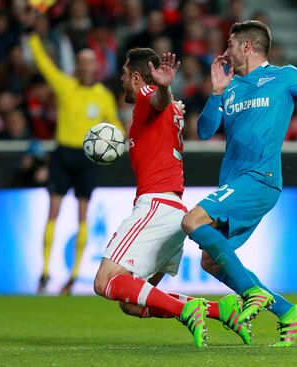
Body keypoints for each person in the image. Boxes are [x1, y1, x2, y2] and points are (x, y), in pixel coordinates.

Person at [181, 20, 297, 346]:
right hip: (234, 182)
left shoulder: (285, 76)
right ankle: (288, 311)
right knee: (210, 261)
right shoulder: (229, 87)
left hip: (261, 178)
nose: (225, 50)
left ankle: (253, 292)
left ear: (247, 46)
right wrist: (215, 92)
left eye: (230, 44)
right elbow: (204, 131)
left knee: (191, 221)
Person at [92, 48, 250, 348]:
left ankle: (188, 309)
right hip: (174, 210)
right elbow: (162, 104)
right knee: (132, 303)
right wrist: (165, 92)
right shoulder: (169, 108)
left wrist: (163, 87)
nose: (122, 80)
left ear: (137, 77)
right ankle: (220, 310)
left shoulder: (148, 93)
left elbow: (156, 98)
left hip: (156, 206)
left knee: (104, 282)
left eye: (125, 74)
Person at [29, 32, 124, 295]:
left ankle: (72, 277)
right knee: (53, 211)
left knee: (82, 214)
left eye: (89, 62)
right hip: (63, 154)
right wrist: (33, 38)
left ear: (95, 67)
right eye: (81, 62)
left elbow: (115, 124)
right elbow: (44, 65)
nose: (85, 66)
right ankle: (45, 272)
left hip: (87, 158)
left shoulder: (103, 95)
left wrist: (120, 138)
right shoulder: (65, 86)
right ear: (77, 66)